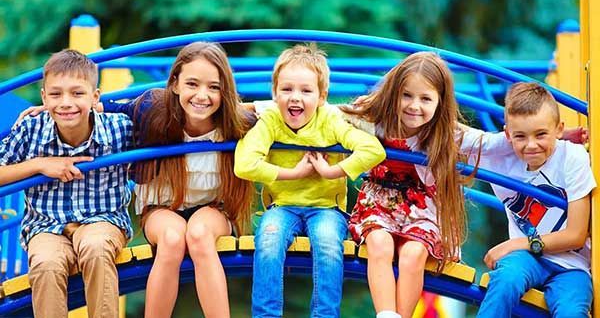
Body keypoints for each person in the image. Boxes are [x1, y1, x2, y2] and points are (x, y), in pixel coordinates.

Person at [342, 52, 503, 318]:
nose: (414, 106)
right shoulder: (374, 119)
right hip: (380, 206)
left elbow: (495, 144)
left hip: (423, 211)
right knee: (379, 244)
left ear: (440, 102)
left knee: (413, 254)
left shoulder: (446, 133)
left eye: (425, 98)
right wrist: (256, 110)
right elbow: (321, 114)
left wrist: (551, 134)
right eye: (407, 95)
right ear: (394, 93)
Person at [103, 42, 255, 318]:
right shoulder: (152, 110)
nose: (202, 95)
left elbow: (286, 112)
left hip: (214, 209)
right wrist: (51, 109)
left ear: (225, 92)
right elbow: (102, 108)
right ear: (174, 84)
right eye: (192, 84)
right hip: (163, 209)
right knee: (172, 239)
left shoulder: (236, 123)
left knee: (199, 235)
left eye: (214, 87)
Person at [234, 43, 386, 318]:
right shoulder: (270, 121)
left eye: (306, 91)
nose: (295, 98)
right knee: (268, 240)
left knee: (328, 243)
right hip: (283, 206)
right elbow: (243, 164)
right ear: (274, 93)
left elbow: (374, 150)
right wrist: (294, 174)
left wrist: (330, 172)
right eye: (287, 89)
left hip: (326, 208)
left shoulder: (330, 120)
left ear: (322, 96)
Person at [0, 49, 134, 318]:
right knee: (47, 264)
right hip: (46, 225)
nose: (66, 102)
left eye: (77, 93)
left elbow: (165, 120)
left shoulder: (120, 128)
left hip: (102, 219)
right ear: (44, 97)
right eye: (56, 94)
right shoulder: (31, 129)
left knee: (96, 249)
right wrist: (39, 165)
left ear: (96, 97)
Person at [474, 82, 595, 317]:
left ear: (559, 129)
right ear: (507, 134)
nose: (531, 145)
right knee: (506, 280)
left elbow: (576, 235)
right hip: (527, 259)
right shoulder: (499, 159)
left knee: (572, 311)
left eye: (541, 134)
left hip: (572, 265)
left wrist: (512, 244)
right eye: (520, 136)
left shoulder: (572, 157)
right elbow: (450, 135)